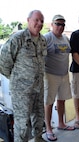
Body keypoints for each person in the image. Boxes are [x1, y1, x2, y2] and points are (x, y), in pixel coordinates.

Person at [0, 10, 47, 142]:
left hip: (38, 87)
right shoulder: (18, 38)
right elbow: (3, 61)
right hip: (21, 90)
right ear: (28, 20)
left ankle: (38, 138)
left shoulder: (42, 40)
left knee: (38, 116)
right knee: (22, 123)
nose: (39, 23)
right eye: (36, 20)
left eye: (41, 21)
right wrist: (16, 79)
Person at [44, 14, 75, 141]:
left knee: (61, 99)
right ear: (52, 24)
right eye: (58, 24)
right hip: (50, 75)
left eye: (63, 24)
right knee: (49, 102)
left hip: (64, 74)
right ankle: (48, 129)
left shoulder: (66, 39)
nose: (60, 26)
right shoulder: (46, 38)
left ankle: (61, 123)